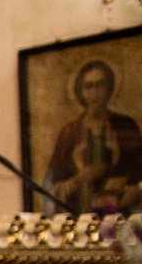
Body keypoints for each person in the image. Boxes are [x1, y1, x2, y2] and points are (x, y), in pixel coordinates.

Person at [44, 59, 142, 217]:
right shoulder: (69, 134)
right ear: (80, 91)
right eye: (89, 86)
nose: (95, 93)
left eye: (100, 85)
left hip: (121, 219)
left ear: (109, 88)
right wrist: (79, 179)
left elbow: (138, 175)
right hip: (81, 221)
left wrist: (132, 189)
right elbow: (53, 186)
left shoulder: (125, 127)